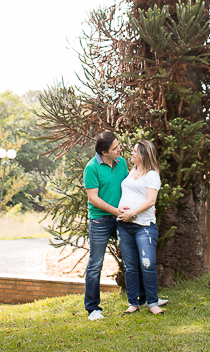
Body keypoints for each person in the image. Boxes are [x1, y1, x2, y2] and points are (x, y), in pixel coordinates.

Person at [83, 131, 128, 320]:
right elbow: (93, 198)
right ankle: (93, 309)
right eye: (115, 148)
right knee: (95, 264)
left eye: (118, 145)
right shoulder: (91, 168)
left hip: (122, 218)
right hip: (100, 220)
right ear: (103, 152)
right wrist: (115, 211)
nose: (119, 149)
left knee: (133, 258)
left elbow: (128, 188)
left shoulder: (122, 163)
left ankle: (142, 299)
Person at [117, 139, 164, 315]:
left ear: (144, 155)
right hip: (124, 226)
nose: (132, 153)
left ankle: (152, 303)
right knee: (130, 266)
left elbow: (151, 200)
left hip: (144, 226)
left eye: (135, 151)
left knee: (148, 264)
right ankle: (133, 303)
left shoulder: (152, 175)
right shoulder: (132, 172)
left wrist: (133, 212)